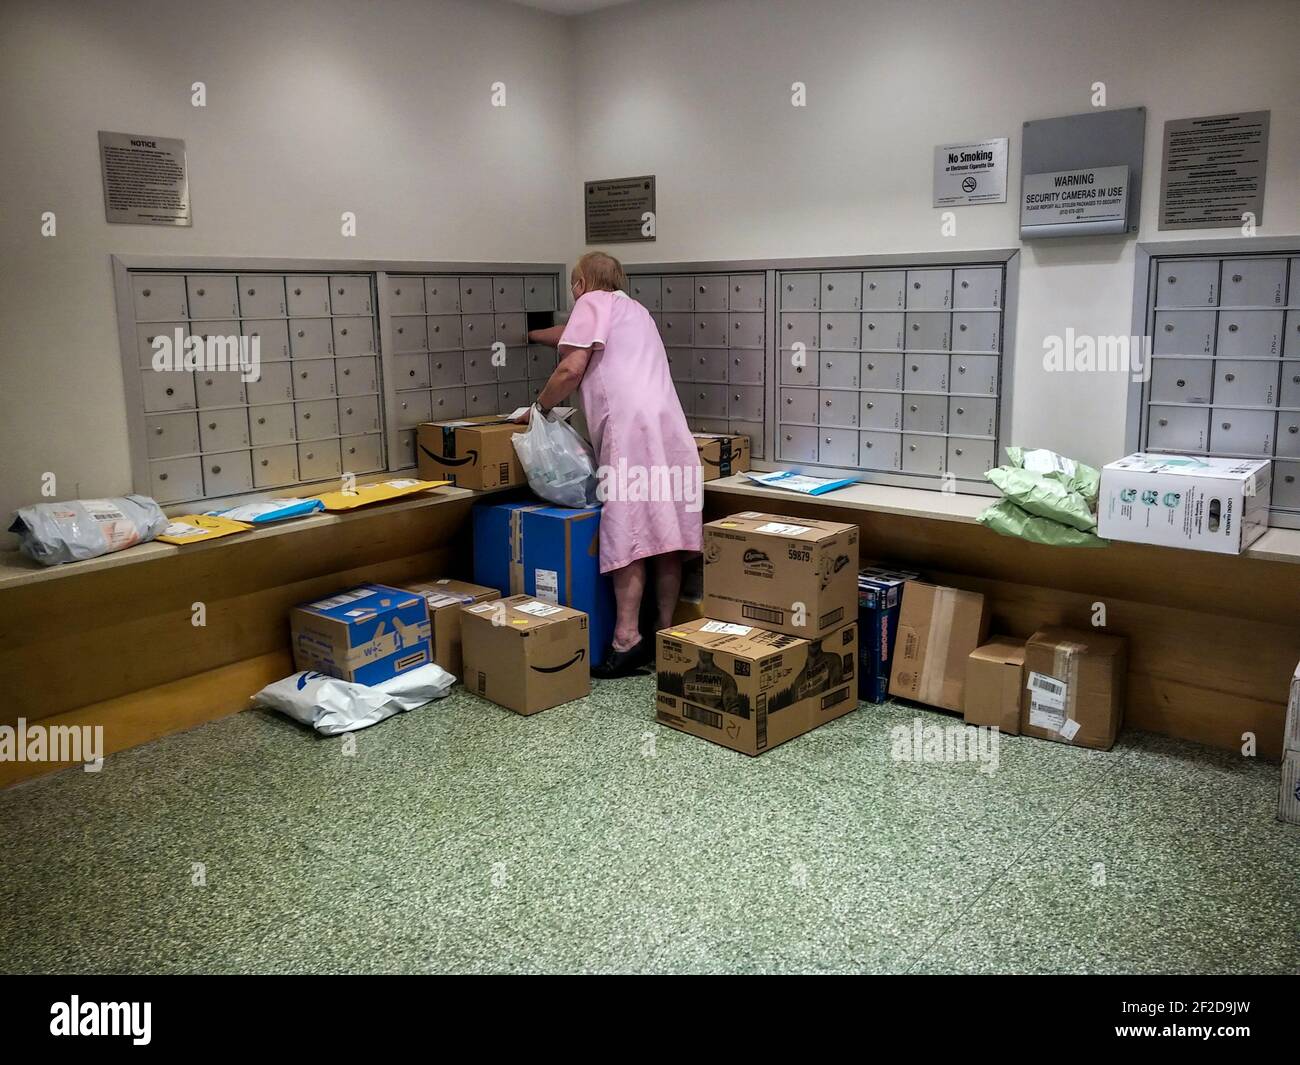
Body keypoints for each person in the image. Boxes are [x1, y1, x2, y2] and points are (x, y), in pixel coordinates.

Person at [518, 251, 702, 677]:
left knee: (630, 531)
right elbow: (572, 335)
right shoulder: (634, 309)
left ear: (580, 283)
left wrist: (539, 408)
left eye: (573, 286)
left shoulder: (590, 304)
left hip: (630, 432)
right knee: (667, 533)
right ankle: (664, 635)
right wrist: (533, 334)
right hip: (670, 430)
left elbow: (570, 367)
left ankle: (626, 640)